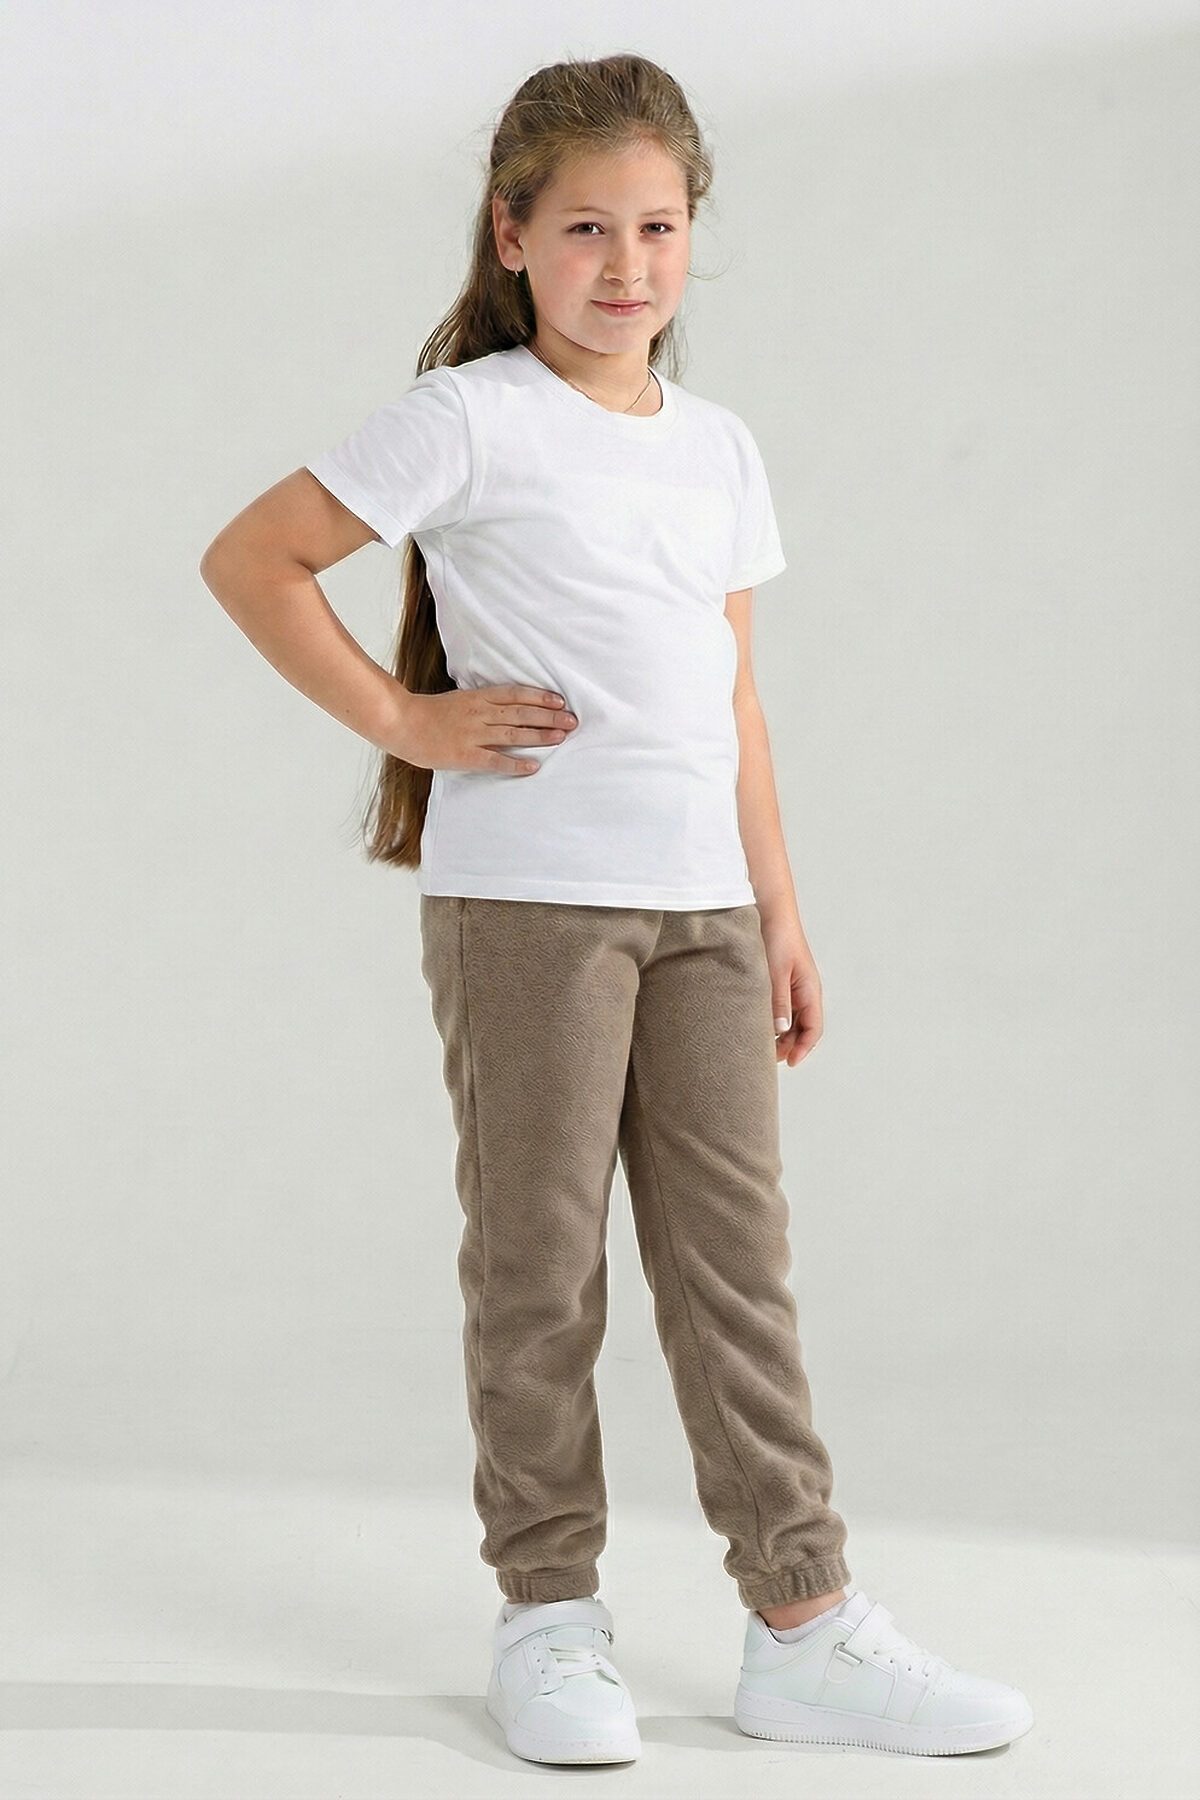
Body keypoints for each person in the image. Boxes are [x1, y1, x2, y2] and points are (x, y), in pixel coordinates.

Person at [200, 50, 1033, 1773]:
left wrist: (779, 910)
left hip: (703, 913)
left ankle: (804, 1623)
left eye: (657, 227)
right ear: (512, 236)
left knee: (740, 1273)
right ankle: (548, 1614)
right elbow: (253, 558)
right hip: (531, 911)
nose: (627, 264)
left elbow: (734, 702)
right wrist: (407, 721)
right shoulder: (469, 417)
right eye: (586, 228)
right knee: (540, 1269)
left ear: (690, 237)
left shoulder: (718, 450)